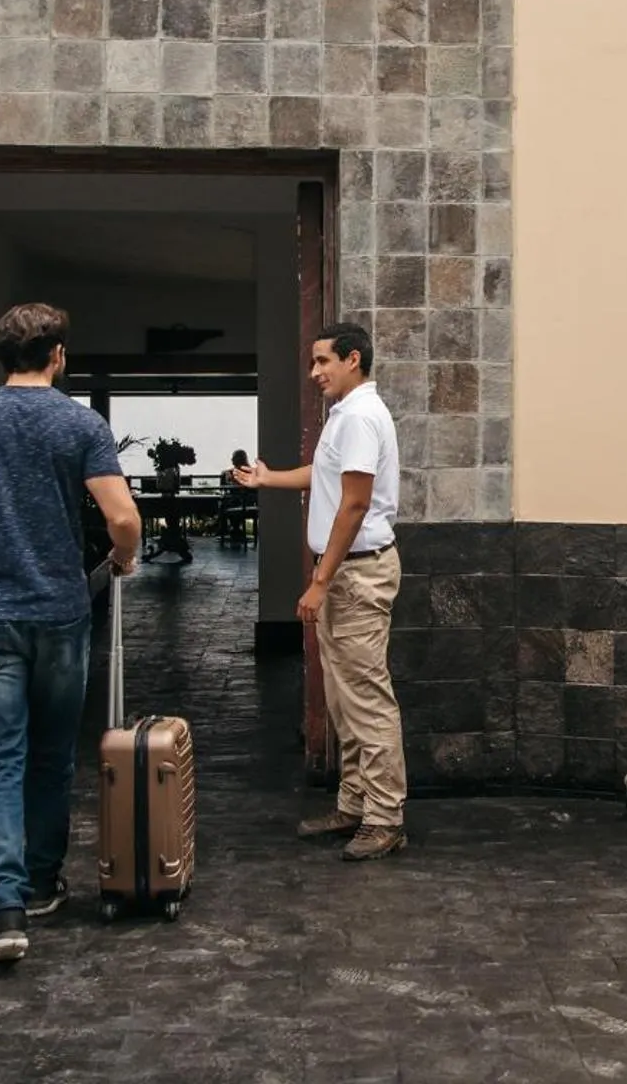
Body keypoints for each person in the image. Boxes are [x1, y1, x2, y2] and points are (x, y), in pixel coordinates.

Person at [0, 304, 143, 963]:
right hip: (60, 611)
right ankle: (45, 881)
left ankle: (6, 907)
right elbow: (123, 517)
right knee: (52, 755)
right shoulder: (80, 422)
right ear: (57, 356)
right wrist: (122, 560)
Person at [247, 321, 406, 861]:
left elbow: (355, 503)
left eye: (323, 362)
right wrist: (269, 479)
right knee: (344, 698)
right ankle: (356, 805)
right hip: (347, 572)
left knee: (366, 700)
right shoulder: (347, 415)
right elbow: (326, 474)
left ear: (352, 359)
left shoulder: (360, 416)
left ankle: (385, 818)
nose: (315, 372)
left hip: (356, 574)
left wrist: (319, 581)